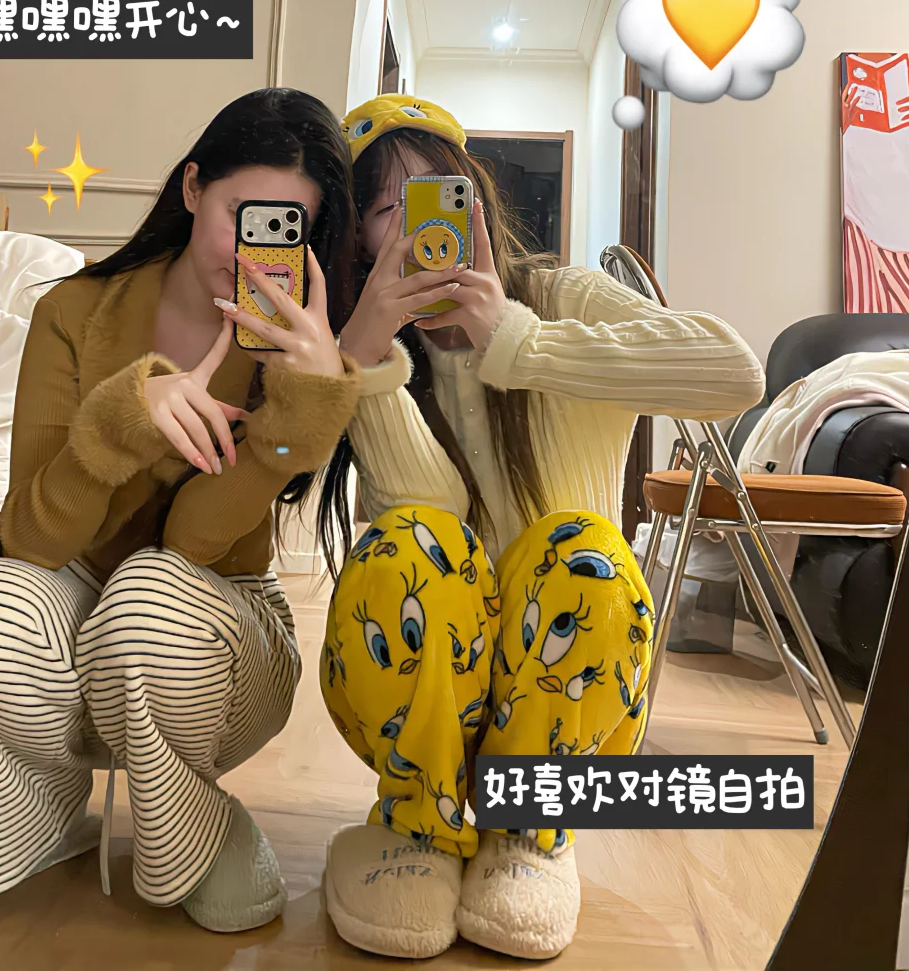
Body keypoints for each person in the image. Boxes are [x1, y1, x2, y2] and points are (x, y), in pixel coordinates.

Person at [0, 88, 364, 934]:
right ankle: (31, 811)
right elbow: (30, 540)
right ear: (191, 188)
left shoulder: (295, 355)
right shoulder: (73, 312)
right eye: (240, 215)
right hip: (73, 589)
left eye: (286, 227)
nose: (255, 250)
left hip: (216, 620)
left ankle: (195, 821)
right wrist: (119, 423)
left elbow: (193, 540)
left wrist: (299, 415)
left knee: (149, 601)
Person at [318, 93, 765, 961]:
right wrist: (365, 356)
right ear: (359, 240)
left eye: (439, 196)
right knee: (409, 546)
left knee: (584, 554)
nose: (417, 227)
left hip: (567, 698)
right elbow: (427, 524)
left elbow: (735, 374)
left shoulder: (566, 297)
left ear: (475, 203)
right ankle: (418, 825)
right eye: (384, 209)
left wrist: (517, 340)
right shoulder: (363, 347)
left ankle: (529, 826)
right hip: (429, 700)